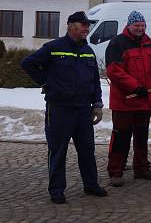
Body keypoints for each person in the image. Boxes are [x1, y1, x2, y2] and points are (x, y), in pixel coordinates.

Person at [21, 11, 108, 203]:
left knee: (87, 149)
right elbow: (28, 63)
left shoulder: (88, 50)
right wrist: (46, 83)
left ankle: (91, 184)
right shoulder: (53, 47)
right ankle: (57, 190)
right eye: (82, 24)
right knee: (58, 150)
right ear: (70, 26)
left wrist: (98, 104)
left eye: (88, 25)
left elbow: (94, 80)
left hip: (83, 109)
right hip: (60, 109)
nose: (86, 28)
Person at [105, 11, 151, 187]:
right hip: (124, 100)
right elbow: (114, 71)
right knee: (121, 137)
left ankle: (141, 167)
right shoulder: (117, 43)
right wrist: (134, 87)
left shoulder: (150, 44)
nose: (140, 28)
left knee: (142, 136)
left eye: (143, 25)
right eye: (137, 25)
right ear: (129, 25)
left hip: (144, 100)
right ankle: (116, 171)